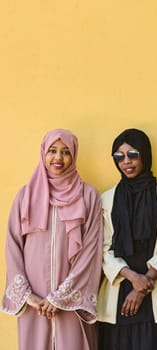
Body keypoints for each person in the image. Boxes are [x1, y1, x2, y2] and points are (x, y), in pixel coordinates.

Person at [1, 129, 103, 350]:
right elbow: (13, 247)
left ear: (74, 155)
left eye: (66, 152)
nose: (58, 158)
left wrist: (61, 297)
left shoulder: (88, 196)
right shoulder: (25, 196)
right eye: (53, 151)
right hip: (34, 302)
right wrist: (28, 296)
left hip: (71, 302)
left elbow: (91, 251)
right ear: (43, 153)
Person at [97, 128, 157, 349]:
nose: (126, 162)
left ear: (145, 154)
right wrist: (133, 278)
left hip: (156, 289)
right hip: (120, 293)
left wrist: (142, 285)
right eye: (119, 157)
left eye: (133, 154)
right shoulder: (107, 199)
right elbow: (104, 248)